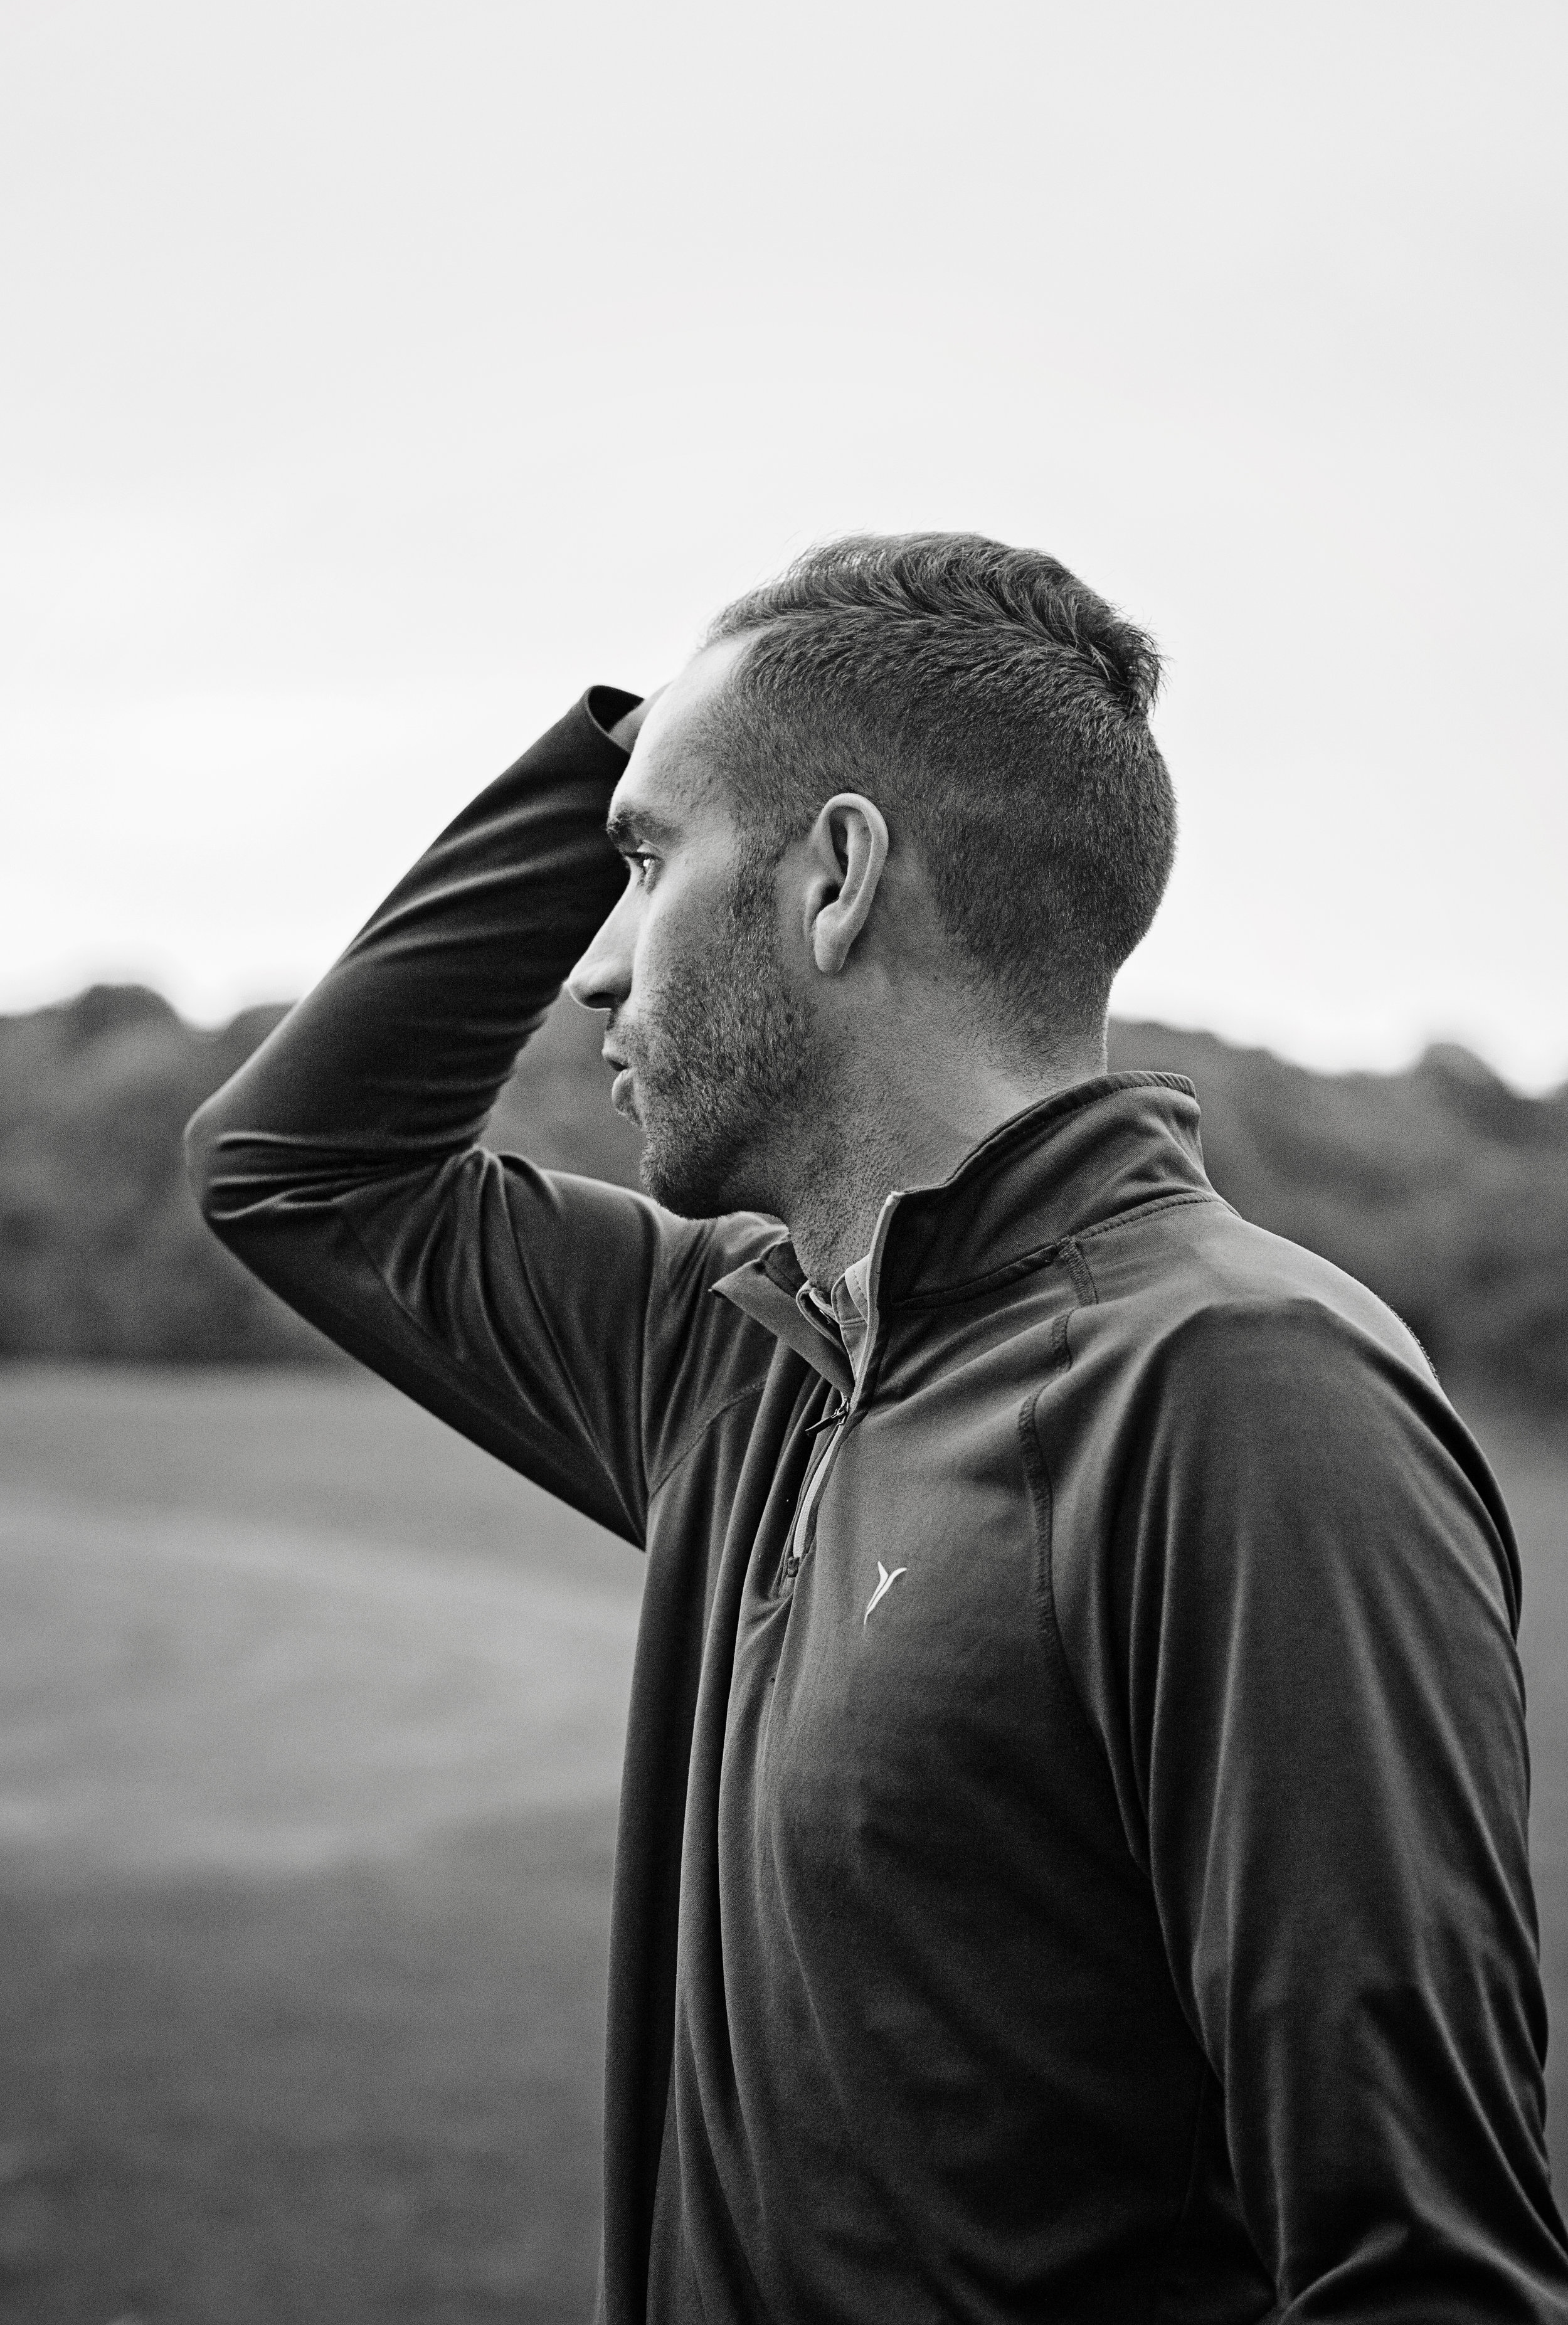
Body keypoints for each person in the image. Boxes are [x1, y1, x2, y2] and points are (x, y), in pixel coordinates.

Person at [186, 532, 1568, 2323]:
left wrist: (730, 721)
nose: (594, 967)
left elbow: (1425, 2274)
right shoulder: (738, 1349)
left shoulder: (1240, 1394)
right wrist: (648, 736)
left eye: (643, 862)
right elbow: (294, 1169)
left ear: (835, 877)